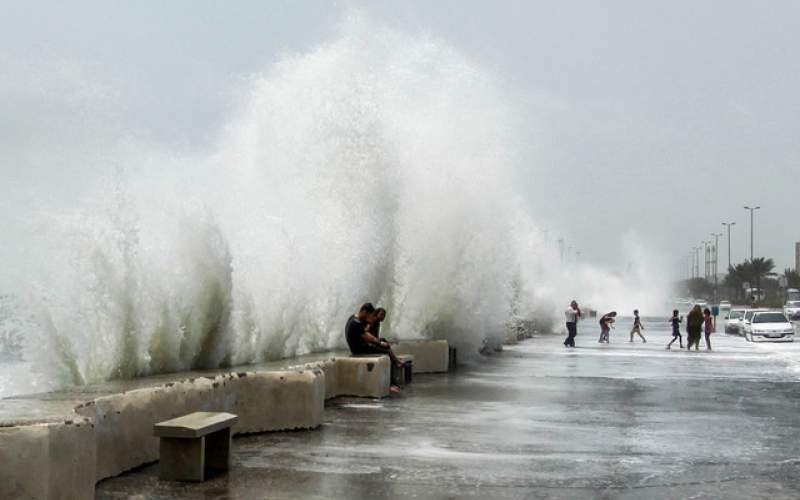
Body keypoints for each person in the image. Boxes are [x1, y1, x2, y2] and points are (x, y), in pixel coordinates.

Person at [345, 303, 404, 391]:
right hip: (359, 349)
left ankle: (395, 369)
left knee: (384, 346)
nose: (369, 318)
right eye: (369, 315)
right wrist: (380, 343)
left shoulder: (353, 318)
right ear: (364, 312)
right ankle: (391, 384)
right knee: (386, 352)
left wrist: (379, 342)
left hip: (360, 345)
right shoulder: (356, 323)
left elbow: (367, 335)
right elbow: (368, 337)